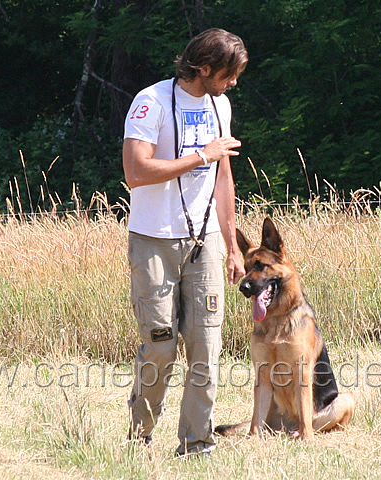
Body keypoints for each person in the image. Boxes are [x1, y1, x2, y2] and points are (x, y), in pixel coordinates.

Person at [122, 28, 248, 457]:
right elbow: (136, 172)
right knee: (159, 345)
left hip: (206, 241)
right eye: (228, 74)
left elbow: (223, 177)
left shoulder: (221, 105)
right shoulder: (150, 101)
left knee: (205, 346)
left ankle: (197, 444)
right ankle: (139, 439)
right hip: (153, 241)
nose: (233, 83)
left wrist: (233, 247)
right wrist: (200, 156)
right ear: (204, 67)